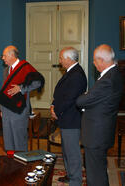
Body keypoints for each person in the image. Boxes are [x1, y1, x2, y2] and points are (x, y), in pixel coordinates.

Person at [76, 44, 123, 186]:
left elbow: (81, 101)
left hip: (96, 134)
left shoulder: (107, 80)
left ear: (102, 60)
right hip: (101, 131)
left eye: (95, 60)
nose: (94, 63)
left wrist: (85, 96)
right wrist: (89, 96)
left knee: (95, 175)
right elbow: (96, 98)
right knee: (98, 170)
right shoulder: (114, 74)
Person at [50, 47, 87, 185]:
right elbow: (60, 93)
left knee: (72, 153)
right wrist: (54, 105)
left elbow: (70, 98)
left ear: (68, 59)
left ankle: (75, 180)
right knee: (66, 151)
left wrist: (56, 110)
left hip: (71, 119)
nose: (59, 61)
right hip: (65, 117)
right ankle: (70, 175)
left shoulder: (77, 75)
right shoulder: (71, 72)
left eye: (61, 58)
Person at [0, 45, 44, 152]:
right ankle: (11, 165)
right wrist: (1, 109)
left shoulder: (25, 67)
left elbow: (38, 82)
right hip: (6, 110)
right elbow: (4, 91)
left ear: (12, 55)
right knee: (8, 141)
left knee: (19, 141)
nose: (3, 58)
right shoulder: (6, 71)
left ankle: (21, 166)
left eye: (4, 56)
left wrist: (21, 88)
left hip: (19, 110)